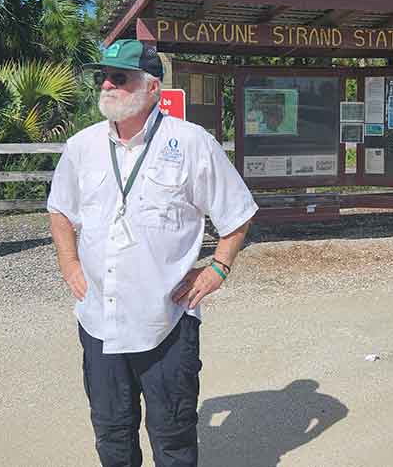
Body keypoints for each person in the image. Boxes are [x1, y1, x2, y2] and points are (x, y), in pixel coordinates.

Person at [47, 39, 258, 466]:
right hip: (99, 323)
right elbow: (59, 210)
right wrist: (69, 264)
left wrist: (218, 267)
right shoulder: (82, 147)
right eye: (102, 76)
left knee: (174, 437)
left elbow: (238, 212)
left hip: (167, 323)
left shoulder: (191, 142)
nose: (106, 84)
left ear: (152, 88)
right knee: (111, 433)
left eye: (119, 77)